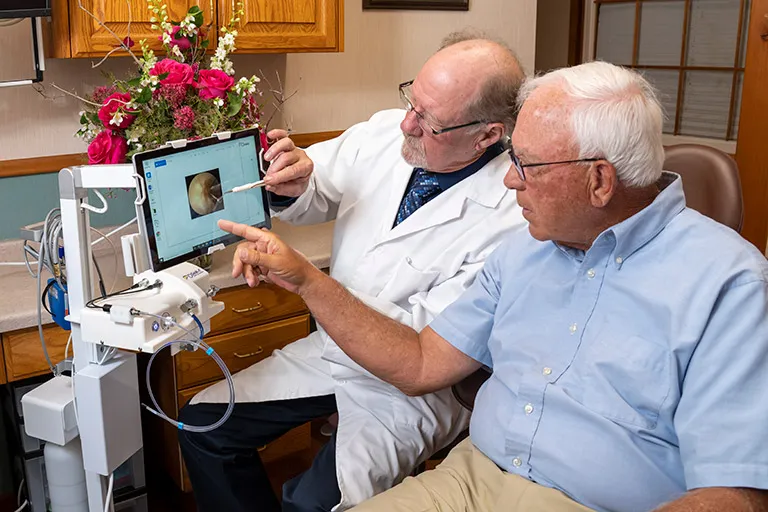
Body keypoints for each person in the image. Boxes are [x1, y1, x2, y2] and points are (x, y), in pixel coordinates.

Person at [216, 60, 768, 512]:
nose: (508, 179)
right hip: (473, 476)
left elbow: (735, 493)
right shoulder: (528, 248)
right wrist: (308, 279)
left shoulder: (729, 285)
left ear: (598, 179)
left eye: (525, 165)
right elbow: (422, 363)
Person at [178, 30, 527, 512]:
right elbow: (315, 182)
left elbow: (420, 359)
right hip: (332, 349)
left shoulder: (512, 217)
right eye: (412, 100)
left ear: (488, 134)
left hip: (408, 392)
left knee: (309, 504)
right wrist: (292, 179)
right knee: (202, 425)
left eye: (429, 122)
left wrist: (307, 278)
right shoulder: (387, 132)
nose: (407, 124)